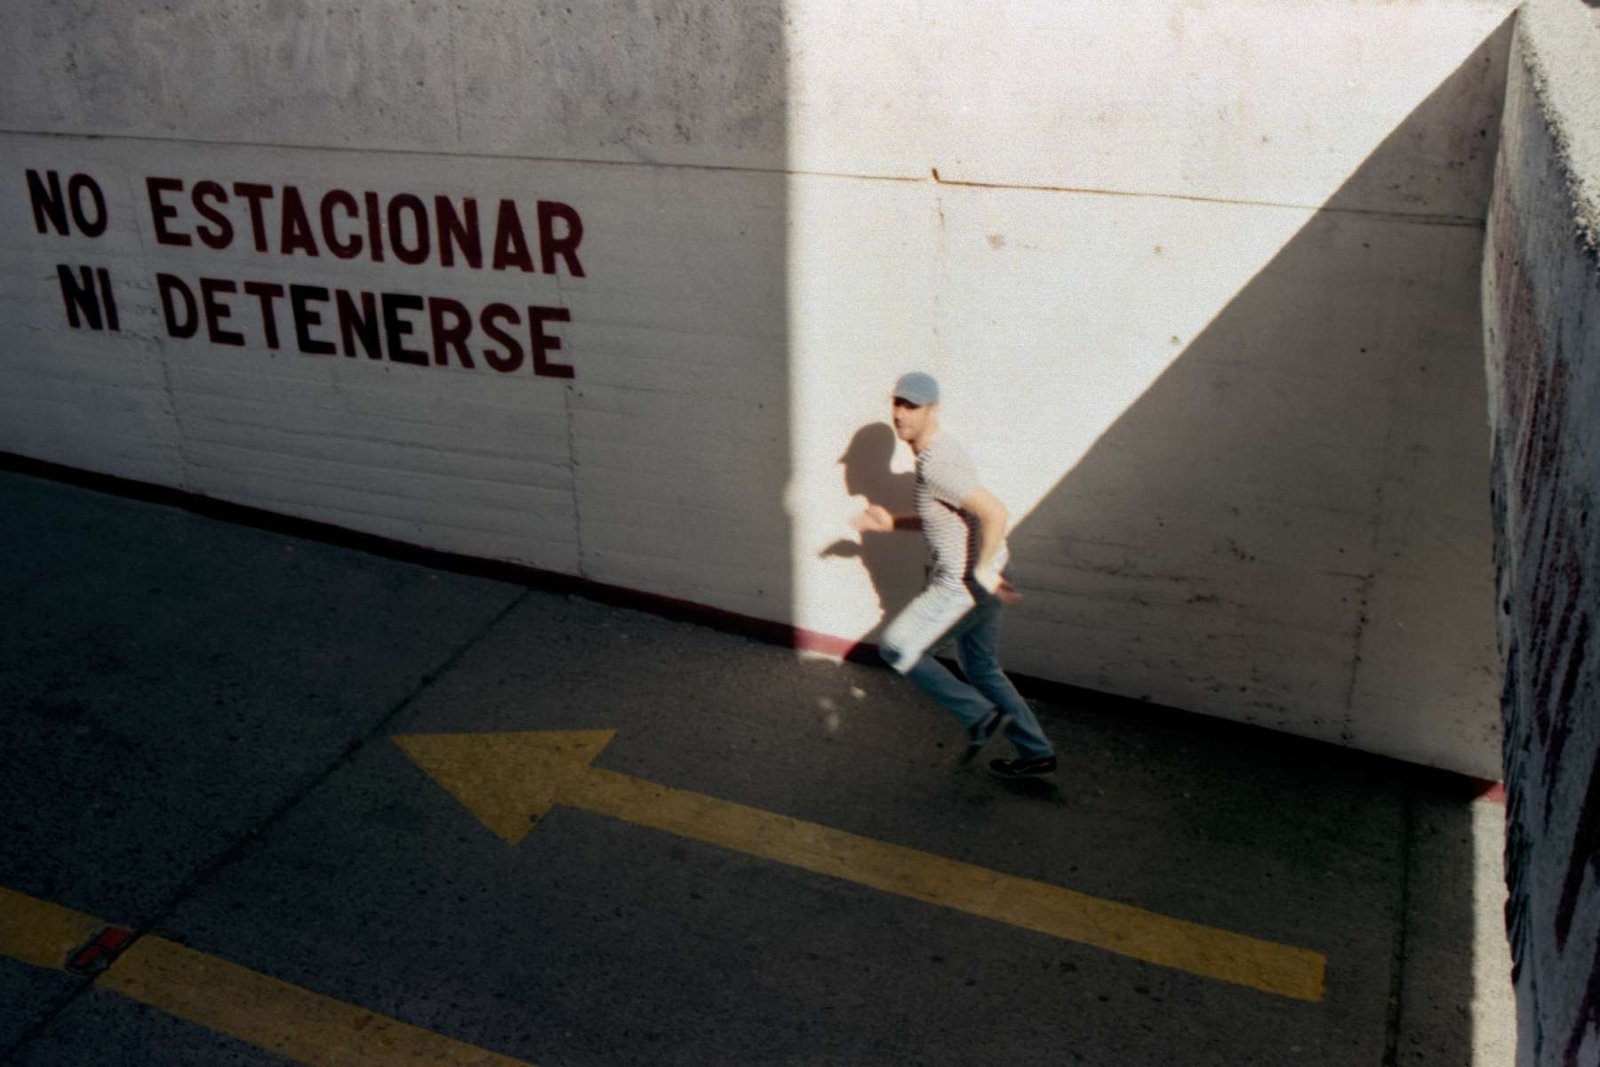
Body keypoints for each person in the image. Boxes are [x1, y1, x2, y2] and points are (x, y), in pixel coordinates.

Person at [852, 372, 1057, 778]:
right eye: (896, 403)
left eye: (911, 406)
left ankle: (979, 715)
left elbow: (994, 513)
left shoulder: (937, 465)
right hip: (985, 579)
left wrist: (981, 569)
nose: (899, 414)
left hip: (962, 584)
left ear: (933, 410)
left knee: (896, 647)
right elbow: (952, 517)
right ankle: (1035, 750)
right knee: (980, 667)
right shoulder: (938, 454)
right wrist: (892, 523)